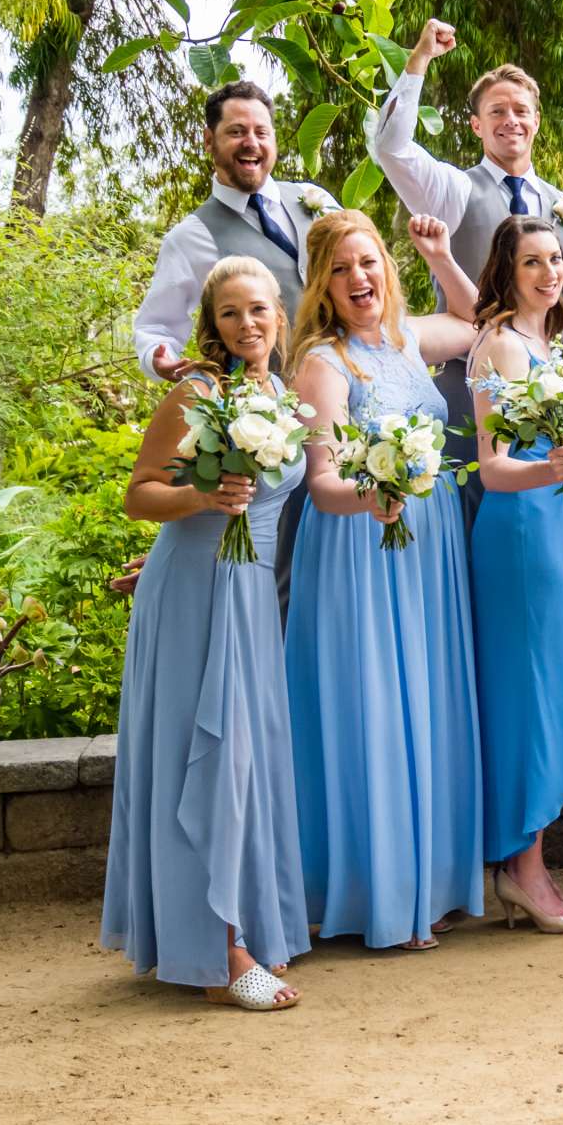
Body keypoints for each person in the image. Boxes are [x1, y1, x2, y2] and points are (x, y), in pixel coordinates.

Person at [102, 256, 311, 1011]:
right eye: (231, 313)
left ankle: (236, 922)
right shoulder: (196, 393)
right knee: (209, 756)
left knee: (247, 760)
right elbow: (140, 494)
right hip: (195, 590)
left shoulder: (280, 397)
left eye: (259, 310)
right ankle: (223, 951)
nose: (247, 324)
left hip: (251, 590)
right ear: (211, 324)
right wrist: (201, 494)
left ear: (280, 315)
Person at [284, 210, 487, 951]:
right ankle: (381, 896)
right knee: (373, 706)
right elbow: (322, 482)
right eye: (341, 270)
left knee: (424, 703)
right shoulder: (323, 364)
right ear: (321, 286)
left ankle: (426, 885)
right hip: (361, 549)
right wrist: (376, 497)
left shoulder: (405, 339)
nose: (359, 279)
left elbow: (477, 320)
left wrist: (438, 253)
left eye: (368, 262)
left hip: (429, 546)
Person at [370, 18, 563, 520]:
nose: (511, 120)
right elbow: (390, 148)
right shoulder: (454, 190)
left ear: (537, 120)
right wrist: (419, 61)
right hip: (463, 385)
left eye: (521, 110)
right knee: (469, 516)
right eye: (496, 111)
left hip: (550, 398)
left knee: (541, 516)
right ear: (476, 125)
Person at [464, 217, 563, 933]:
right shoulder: (502, 346)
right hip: (521, 531)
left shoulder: (551, 345)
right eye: (533, 262)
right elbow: (491, 465)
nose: (549, 273)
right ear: (507, 270)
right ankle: (523, 870)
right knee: (534, 694)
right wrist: (550, 469)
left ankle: (523, 861)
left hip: (558, 524)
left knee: (555, 687)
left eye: (557, 260)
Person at [131, 81, 324, 381]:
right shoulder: (190, 237)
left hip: (351, 389)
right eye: (236, 132)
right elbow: (157, 327)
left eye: (261, 132)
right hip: (271, 412)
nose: (251, 142)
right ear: (209, 140)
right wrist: (160, 360)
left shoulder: (313, 197)